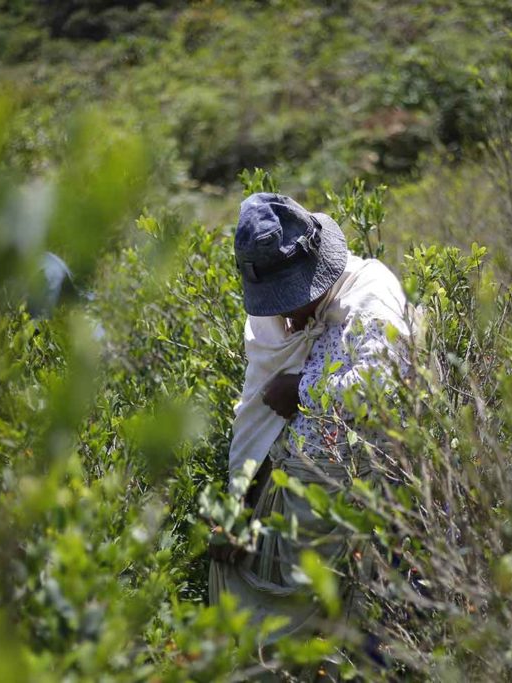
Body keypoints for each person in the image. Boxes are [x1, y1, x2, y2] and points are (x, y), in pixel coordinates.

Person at [209, 192, 415, 661]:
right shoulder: (273, 323)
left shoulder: (370, 293)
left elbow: (387, 377)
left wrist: (301, 389)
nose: (288, 315)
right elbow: (255, 422)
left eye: (297, 298)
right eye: (279, 303)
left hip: (371, 511)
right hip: (295, 512)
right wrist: (237, 503)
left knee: (365, 644)